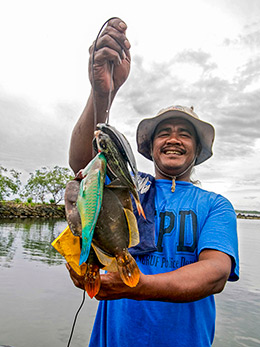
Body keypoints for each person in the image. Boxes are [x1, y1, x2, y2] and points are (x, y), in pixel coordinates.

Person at [66, 18, 239, 347]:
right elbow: (83, 164)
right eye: (165, 133)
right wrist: (102, 92)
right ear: (150, 146)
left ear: (198, 149)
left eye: (184, 134)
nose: (174, 140)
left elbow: (215, 273)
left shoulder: (216, 205)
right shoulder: (130, 187)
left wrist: (138, 285)